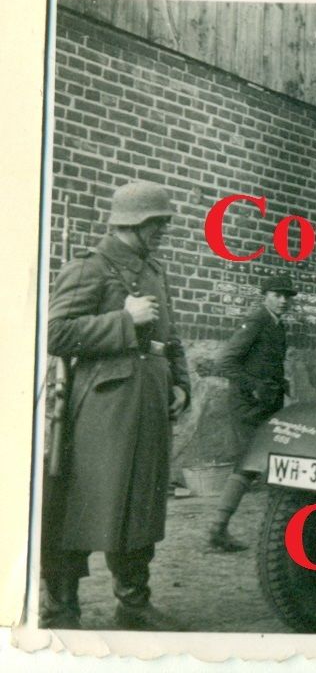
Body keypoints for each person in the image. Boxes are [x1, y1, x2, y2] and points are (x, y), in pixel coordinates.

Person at [43, 180, 190, 630]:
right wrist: (124, 321)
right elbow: (54, 332)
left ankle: (133, 603)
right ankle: (61, 608)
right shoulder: (90, 267)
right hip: (103, 407)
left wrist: (181, 384)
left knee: (140, 504)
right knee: (84, 503)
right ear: (132, 222)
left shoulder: (154, 270)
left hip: (150, 401)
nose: (163, 230)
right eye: (156, 222)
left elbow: (170, 336)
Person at [209, 274, 297, 552]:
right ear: (265, 296)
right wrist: (255, 386)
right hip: (248, 406)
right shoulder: (257, 321)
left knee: (267, 462)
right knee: (249, 463)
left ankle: (279, 530)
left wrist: (280, 382)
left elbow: (263, 362)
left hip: (267, 403)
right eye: (277, 295)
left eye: (287, 296)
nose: (283, 301)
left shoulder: (277, 324)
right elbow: (225, 362)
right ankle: (218, 529)